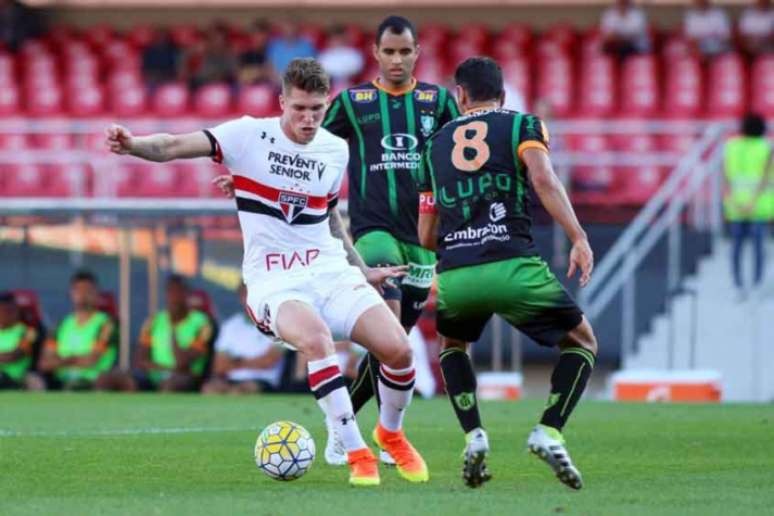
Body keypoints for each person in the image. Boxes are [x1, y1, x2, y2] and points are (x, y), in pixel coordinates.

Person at [104, 57, 428, 487]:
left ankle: (390, 432)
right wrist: (133, 144)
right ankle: (356, 453)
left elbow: (328, 217)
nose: (308, 119)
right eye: (299, 108)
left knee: (399, 351)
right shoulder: (247, 134)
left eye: (317, 108)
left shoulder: (335, 148)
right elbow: (171, 146)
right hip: (276, 279)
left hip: (330, 270)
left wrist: (360, 267)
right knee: (317, 340)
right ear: (281, 102)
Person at [417, 57, 598, 490]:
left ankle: (474, 434)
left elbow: (425, 233)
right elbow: (543, 179)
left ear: (460, 95)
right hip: (514, 263)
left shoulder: (433, 145)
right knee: (582, 342)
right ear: (502, 94)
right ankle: (549, 430)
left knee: (452, 345)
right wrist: (578, 236)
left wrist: (461, 238)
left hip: (458, 272)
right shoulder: (523, 125)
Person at [321, 15, 459, 466]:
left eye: (405, 51)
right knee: (389, 323)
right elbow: (307, 143)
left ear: (417, 52)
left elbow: (461, 157)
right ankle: (365, 433)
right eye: (389, 51)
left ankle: (348, 430)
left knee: (393, 343)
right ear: (375, 53)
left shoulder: (437, 102)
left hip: (423, 239)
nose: (397, 59)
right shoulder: (354, 101)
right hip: (373, 232)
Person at [132, 275, 214, 392]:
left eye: (179, 291)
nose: (174, 297)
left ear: (187, 295)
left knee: (171, 384)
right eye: (171, 291)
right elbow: (140, 360)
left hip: (187, 377)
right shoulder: (154, 321)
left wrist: (174, 329)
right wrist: (166, 369)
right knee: (121, 379)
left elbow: (182, 362)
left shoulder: (202, 323)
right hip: (156, 374)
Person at [38, 271, 117, 390]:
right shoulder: (61, 325)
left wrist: (61, 361)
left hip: (93, 383)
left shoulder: (107, 324)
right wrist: (74, 360)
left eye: (88, 290)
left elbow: (91, 360)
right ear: (70, 293)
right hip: (61, 382)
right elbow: (44, 363)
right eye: (78, 290)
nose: (83, 294)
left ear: (97, 294)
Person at [201, 284, 285, 394]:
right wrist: (251, 362)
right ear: (241, 297)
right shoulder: (231, 325)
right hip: (230, 380)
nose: (250, 298)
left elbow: (268, 361)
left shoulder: (278, 324)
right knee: (209, 389)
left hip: (263, 381)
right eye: (245, 294)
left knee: (238, 392)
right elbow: (219, 365)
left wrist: (235, 362)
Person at [724, 113, 773, 300]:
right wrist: (752, 203)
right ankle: (756, 284)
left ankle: (738, 285)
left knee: (737, 247)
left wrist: (736, 201)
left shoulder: (731, 147)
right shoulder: (766, 148)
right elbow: (765, 177)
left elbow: (726, 176)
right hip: (758, 207)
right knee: (757, 247)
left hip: (736, 206)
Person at [0, 292, 39, 390]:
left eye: (9, 310)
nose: (5, 313)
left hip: (15, 380)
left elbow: (14, 356)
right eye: (2, 309)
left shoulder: (29, 332)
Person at [238, 20, 275, 86]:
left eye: (262, 34)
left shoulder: (273, 51)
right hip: (251, 88)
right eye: (256, 34)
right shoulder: (247, 54)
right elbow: (242, 75)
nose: (260, 38)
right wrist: (260, 72)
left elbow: (274, 73)